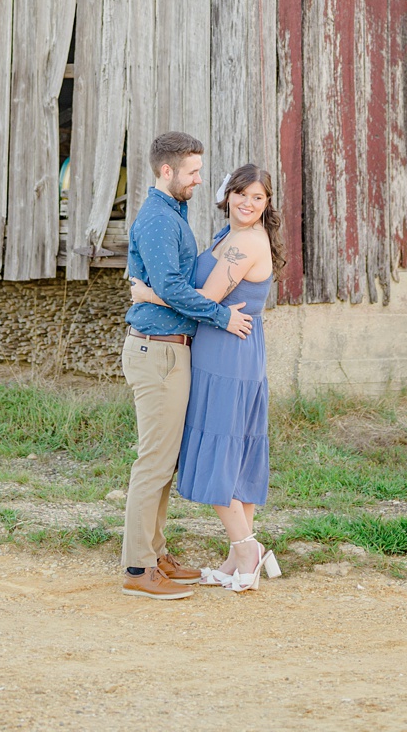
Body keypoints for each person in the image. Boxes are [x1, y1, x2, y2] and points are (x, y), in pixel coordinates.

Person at [129, 163, 281, 591]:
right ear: (227, 194)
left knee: (220, 448)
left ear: (267, 205)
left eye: (258, 198)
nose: (248, 203)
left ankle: (248, 549)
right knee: (235, 448)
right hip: (226, 349)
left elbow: (205, 299)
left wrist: (147, 293)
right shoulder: (228, 236)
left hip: (227, 355)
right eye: (241, 194)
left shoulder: (245, 242)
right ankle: (238, 558)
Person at [118, 130, 252, 601]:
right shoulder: (158, 218)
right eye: (192, 172)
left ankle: (155, 553)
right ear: (167, 171)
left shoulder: (172, 215)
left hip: (172, 349)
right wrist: (221, 315)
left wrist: (147, 287)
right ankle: (137, 567)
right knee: (153, 462)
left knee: (164, 461)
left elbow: (154, 278)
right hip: (156, 352)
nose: (199, 180)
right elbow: (173, 287)